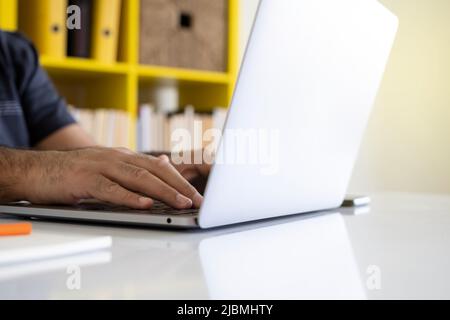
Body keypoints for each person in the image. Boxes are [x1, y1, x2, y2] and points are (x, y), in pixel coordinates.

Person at [0, 30, 208, 210]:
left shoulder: (13, 54)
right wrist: (39, 171)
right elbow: (58, 168)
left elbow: (88, 158)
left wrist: (161, 168)